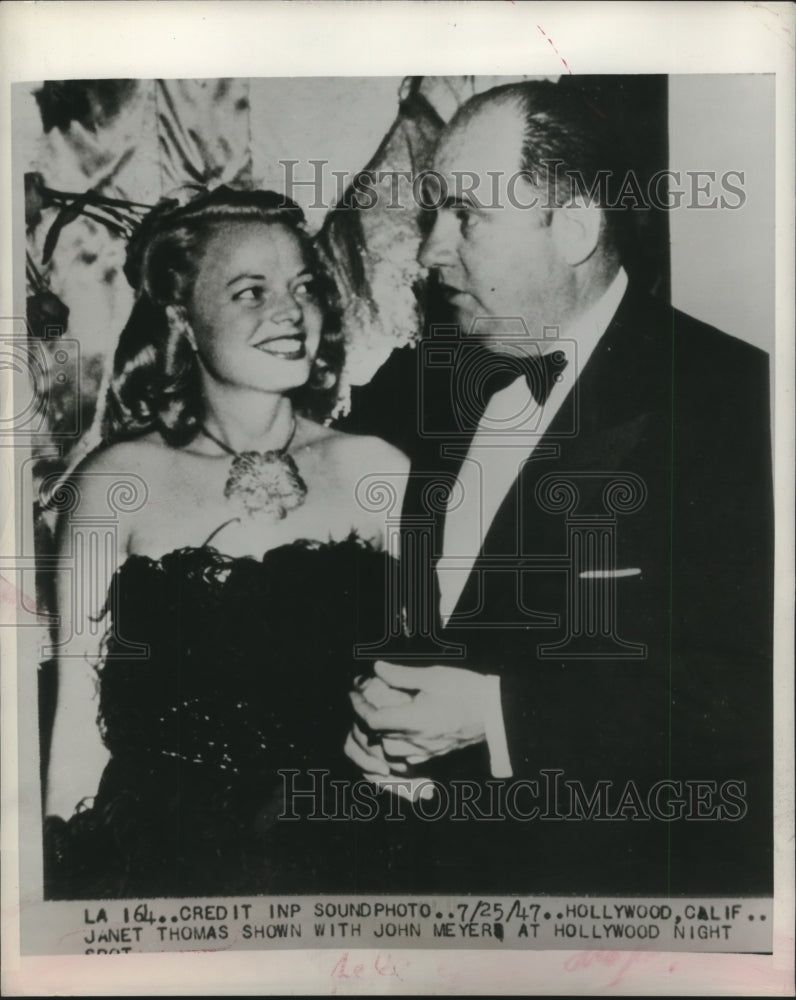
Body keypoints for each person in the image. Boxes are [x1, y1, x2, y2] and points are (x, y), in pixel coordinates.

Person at [346, 80, 773, 894]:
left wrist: (498, 720)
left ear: (573, 226)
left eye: (466, 213)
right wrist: (380, 720)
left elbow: (755, 692)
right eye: (435, 212)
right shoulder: (423, 389)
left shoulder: (732, 403)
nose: (432, 249)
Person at [43, 186, 409, 898]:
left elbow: (421, 695)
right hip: (164, 857)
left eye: (304, 287)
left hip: (356, 851)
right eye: (251, 291)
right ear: (183, 315)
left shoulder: (377, 470)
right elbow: (78, 730)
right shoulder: (119, 479)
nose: (291, 311)